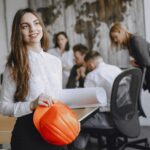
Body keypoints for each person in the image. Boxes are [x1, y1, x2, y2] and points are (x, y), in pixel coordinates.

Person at [0, 8, 64, 150]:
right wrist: (31, 104)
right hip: (28, 134)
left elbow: (58, 95)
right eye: (25, 26)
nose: (33, 29)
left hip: (56, 129)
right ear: (19, 32)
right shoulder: (14, 66)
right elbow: (3, 106)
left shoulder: (55, 61)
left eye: (36, 23)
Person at [71, 51, 122, 150]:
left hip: (108, 118)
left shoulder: (92, 76)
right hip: (124, 115)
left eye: (87, 67)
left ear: (91, 64)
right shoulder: (116, 69)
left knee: (77, 120)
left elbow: (86, 103)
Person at [109, 22, 150, 92]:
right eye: (113, 39)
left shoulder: (135, 41)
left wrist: (136, 62)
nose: (115, 40)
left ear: (121, 31)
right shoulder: (131, 42)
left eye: (116, 37)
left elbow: (146, 63)